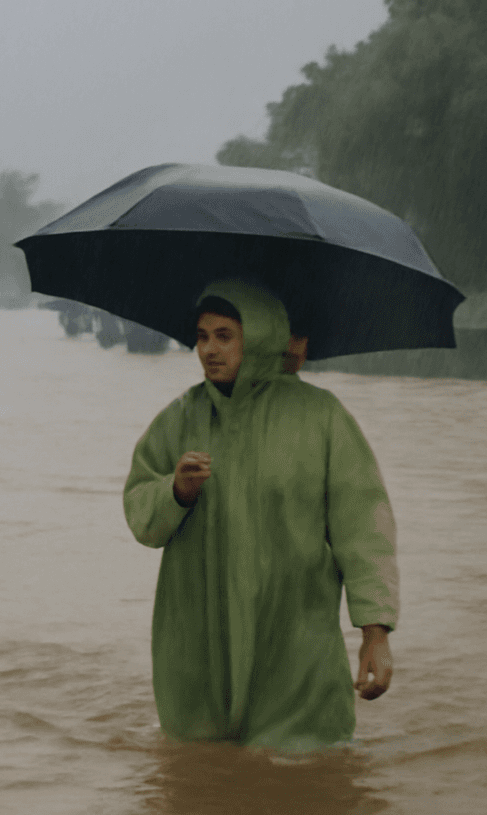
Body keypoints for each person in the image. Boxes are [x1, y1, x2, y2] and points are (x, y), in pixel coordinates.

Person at [123, 278, 399, 749]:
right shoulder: (178, 419)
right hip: (199, 641)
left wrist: (375, 632)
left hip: (293, 642)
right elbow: (140, 515)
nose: (209, 349)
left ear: (262, 338)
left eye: (225, 336)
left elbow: (364, 527)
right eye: (202, 336)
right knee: (197, 773)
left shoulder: (321, 417)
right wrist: (176, 491)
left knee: (304, 768)